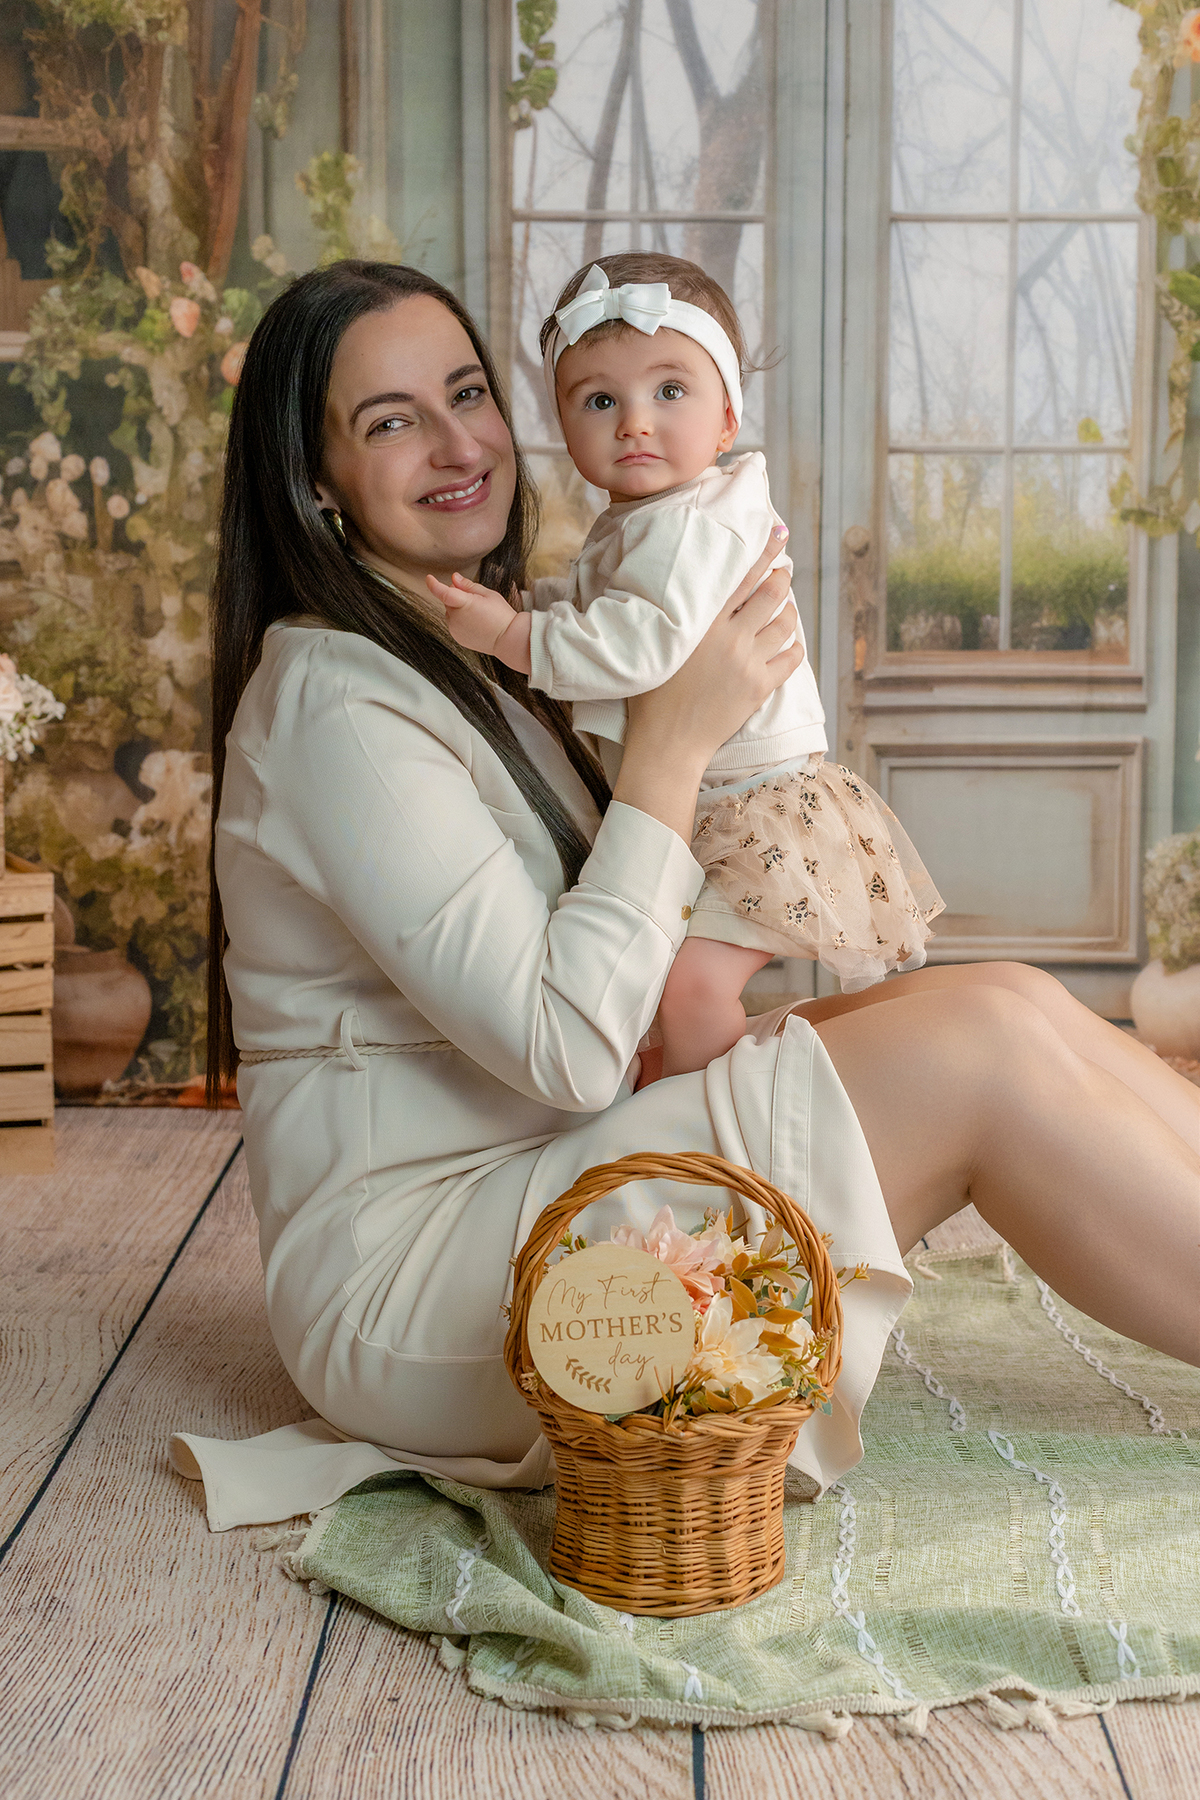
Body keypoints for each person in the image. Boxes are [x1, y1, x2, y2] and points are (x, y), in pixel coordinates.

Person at [172, 260, 1198, 1535]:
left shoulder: (456, 653)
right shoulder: (335, 700)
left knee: (1010, 1001)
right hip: (426, 1289)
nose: (456, 445)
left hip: (540, 1165)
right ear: (312, 479)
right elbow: (564, 1043)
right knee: (982, 1053)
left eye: (469, 394)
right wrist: (672, 740)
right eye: (390, 421)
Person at [429, 254, 943, 1078]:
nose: (635, 421)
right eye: (601, 400)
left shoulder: (700, 523)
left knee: (692, 993)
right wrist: (541, 600)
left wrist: (513, 636)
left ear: (728, 420)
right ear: (564, 427)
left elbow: (644, 644)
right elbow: (616, 599)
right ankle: (697, 1100)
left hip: (753, 808)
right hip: (709, 799)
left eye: (670, 392)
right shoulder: (648, 516)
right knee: (663, 990)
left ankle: (718, 1130)